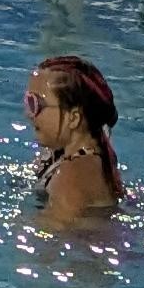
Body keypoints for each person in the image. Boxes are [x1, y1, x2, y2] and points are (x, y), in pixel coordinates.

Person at [25, 54, 123, 229]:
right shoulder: (74, 155)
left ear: (73, 118)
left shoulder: (72, 177)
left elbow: (45, 243)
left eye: (35, 104)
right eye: (28, 101)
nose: (29, 114)